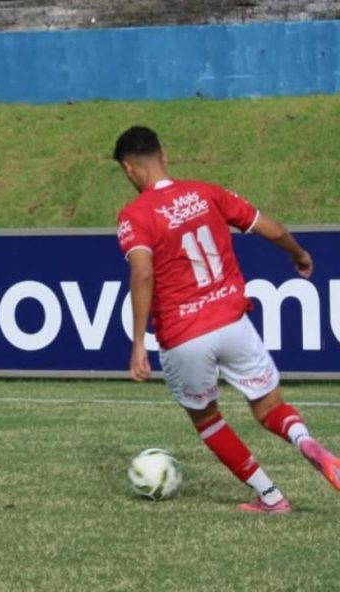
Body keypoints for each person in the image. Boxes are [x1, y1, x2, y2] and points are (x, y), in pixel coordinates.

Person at [113, 126, 340, 513]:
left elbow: (143, 274)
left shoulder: (135, 215)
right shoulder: (207, 192)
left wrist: (138, 341)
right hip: (233, 322)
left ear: (128, 169)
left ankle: (271, 496)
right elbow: (273, 229)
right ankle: (307, 442)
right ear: (164, 156)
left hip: (184, 336)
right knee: (269, 407)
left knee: (207, 418)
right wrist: (298, 254)